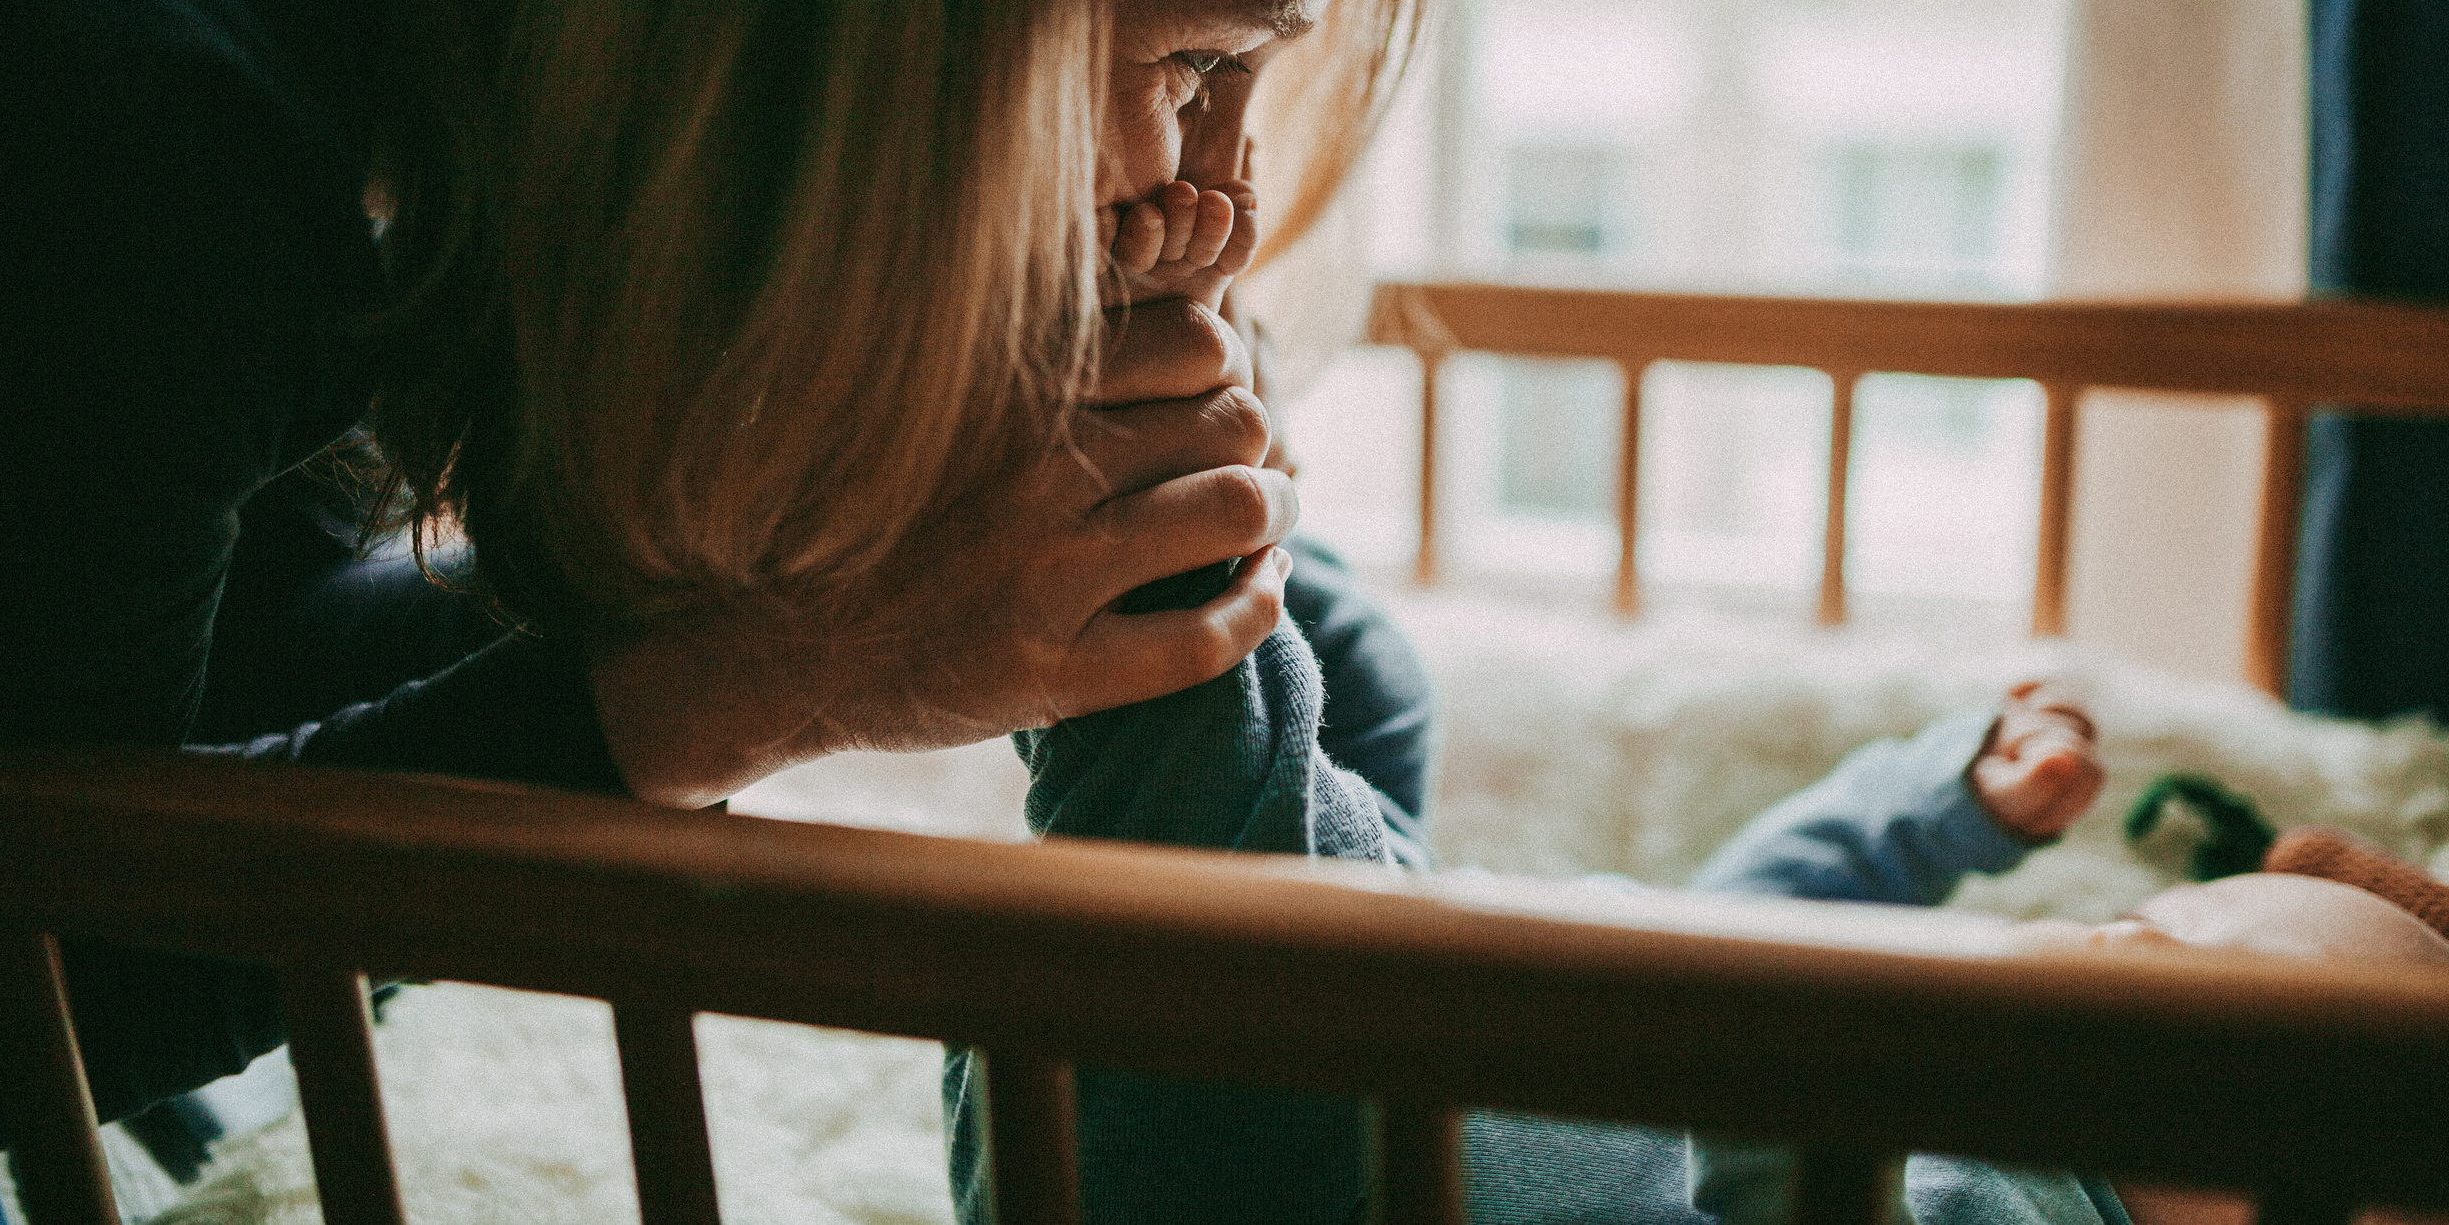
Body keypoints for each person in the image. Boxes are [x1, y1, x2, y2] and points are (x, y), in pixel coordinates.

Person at [0, 0, 1449, 1203]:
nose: (1220, 200)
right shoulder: (110, 62)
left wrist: (775, 619)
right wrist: (785, 669)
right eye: (1200, 59)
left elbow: (151, 704)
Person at [978, 646, 2449, 1225]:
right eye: (2148, 921)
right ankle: (1230, 494)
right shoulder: (2000, 1085)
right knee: (1366, 684)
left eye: (2204, 1001)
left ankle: (1142, 486)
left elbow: (1787, 1130)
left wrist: (1824, 1058)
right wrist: (1937, 806)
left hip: (1270, 1155)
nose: (2120, 952)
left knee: (1207, 721)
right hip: (1341, 1008)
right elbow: (1744, 925)